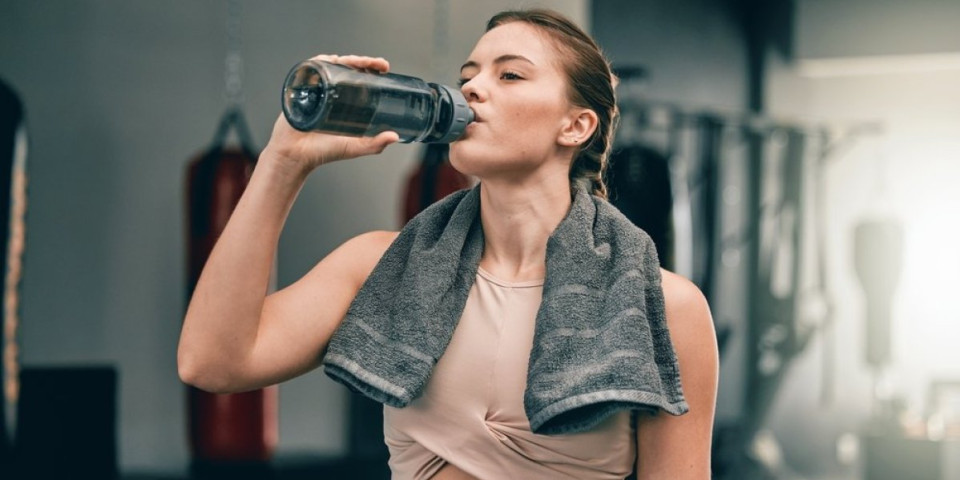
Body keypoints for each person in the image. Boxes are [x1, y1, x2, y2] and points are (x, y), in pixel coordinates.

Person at [178, 8, 718, 480]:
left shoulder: (666, 309)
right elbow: (211, 362)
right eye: (469, 76)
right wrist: (283, 162)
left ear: (575, 125)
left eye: (509, 75)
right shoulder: (380, 266)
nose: (474, 88)